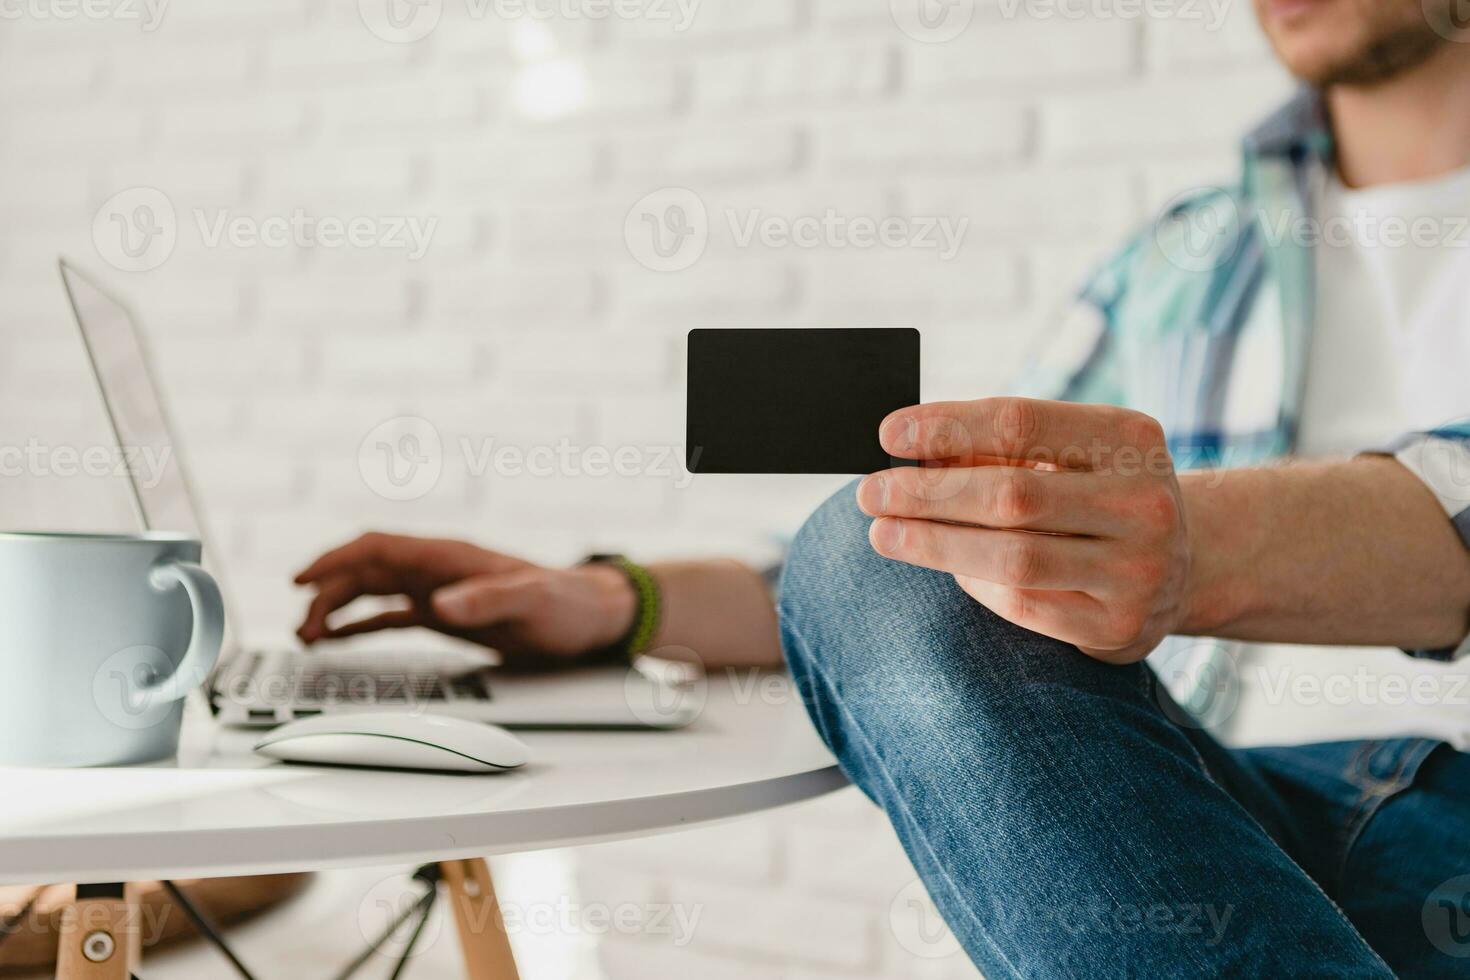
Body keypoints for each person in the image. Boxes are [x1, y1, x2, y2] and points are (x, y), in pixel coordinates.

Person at [294, 0, 1470, 973]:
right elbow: (940, 555)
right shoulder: (1187, 259)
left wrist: (1190, 549)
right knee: (867, 556)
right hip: (1194, 811)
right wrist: (614, 600)